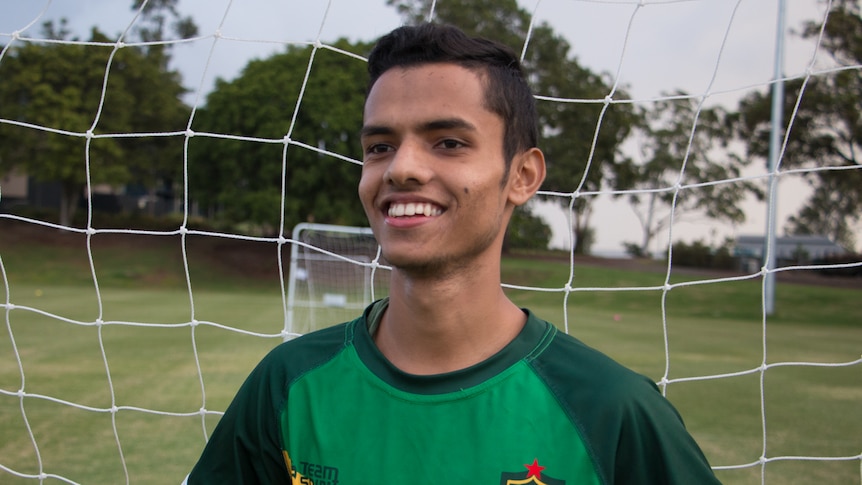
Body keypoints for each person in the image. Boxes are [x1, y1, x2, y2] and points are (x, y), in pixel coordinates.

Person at [185, 23, 721, 484]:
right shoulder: (288, 384)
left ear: (522, 175)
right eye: (379, 146)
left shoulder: (611, 408)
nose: (401, 168)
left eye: (448, 142)